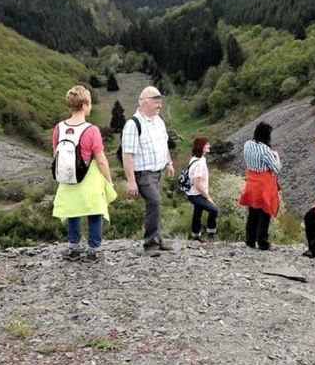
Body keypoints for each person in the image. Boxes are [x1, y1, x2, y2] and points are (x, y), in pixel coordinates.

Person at [51, 85, 117, 262]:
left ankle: (74, 248)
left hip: (67, 178)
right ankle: (93, 250)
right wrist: (109, 180)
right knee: (95, 211)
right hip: (89, 179)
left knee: (73, 211)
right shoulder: (92, 130)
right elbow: (101, 159)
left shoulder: (59, 128)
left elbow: (55, 154)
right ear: (85, 105)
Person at [121, 86, 176, 256]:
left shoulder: (159, 121)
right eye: (156, 101)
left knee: (156, 205)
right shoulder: (133, 124)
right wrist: (131, 181)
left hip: (159, 171)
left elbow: (163, 144)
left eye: (160, 101)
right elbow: (127, 154)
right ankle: (150, 244)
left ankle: (157, 240)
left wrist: (169, 163)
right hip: (143, 174)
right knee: (155, 203)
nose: (160, 105)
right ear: (144, 102)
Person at [238, 122, 282, 250]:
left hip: (251, 181)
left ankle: (250, 241)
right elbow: (276, 168)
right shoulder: (266, 150)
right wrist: (277, 156)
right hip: (263, 184)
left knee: (252, 212)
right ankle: (262, 242)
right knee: (265, 212)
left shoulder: (247, 144)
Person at [185, 136, 217, 242]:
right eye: (207, 144)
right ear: (201, 146)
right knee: (214, 209)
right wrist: (208, 197)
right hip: (196, 194)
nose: (209, 145)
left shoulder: (196, 159)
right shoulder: (199, 164)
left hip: (192, 193)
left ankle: (196, 236)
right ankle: (210, 234)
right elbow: (198, 185)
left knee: (198, 212)